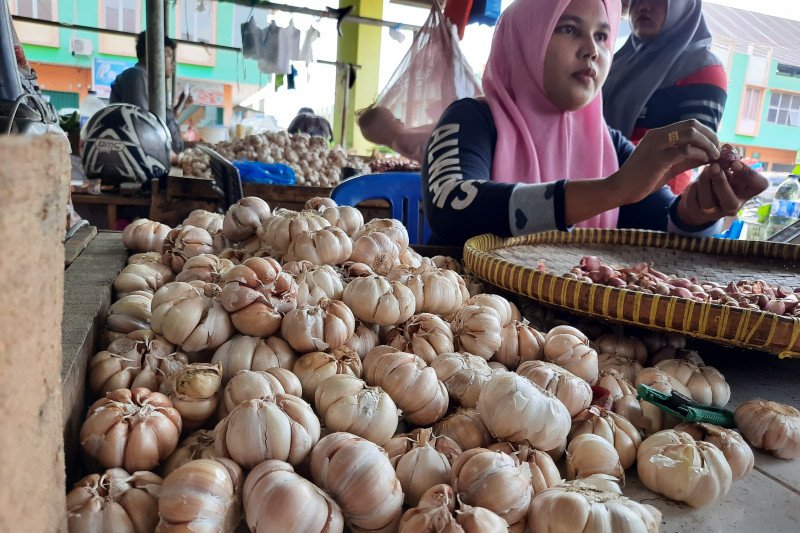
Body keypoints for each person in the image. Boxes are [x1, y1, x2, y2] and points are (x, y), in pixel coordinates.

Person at [421, 0, 764, 245]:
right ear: (526, 37)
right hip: (467, 329)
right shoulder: (472, 119)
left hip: (570, 341)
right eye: (569, 29)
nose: (592, 50)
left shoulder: (609, 146)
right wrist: (612, 190)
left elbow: (663, 227)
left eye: (602, 36)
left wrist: (699, 210)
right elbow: (452, 206)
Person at [603, 0, 727, 193]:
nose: (644, 6)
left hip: (653, 201)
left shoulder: (702, 68)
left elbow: (693, 151)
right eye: (637, 0)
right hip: (598, 189)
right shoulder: (616, 61)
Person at [110, 31, 190, 154]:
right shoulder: (137, 76)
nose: (173, 63)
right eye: (168, 55)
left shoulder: (149, 82)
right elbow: (141, 126)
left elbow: (159, 120)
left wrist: (181, 106)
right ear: (153, 53)